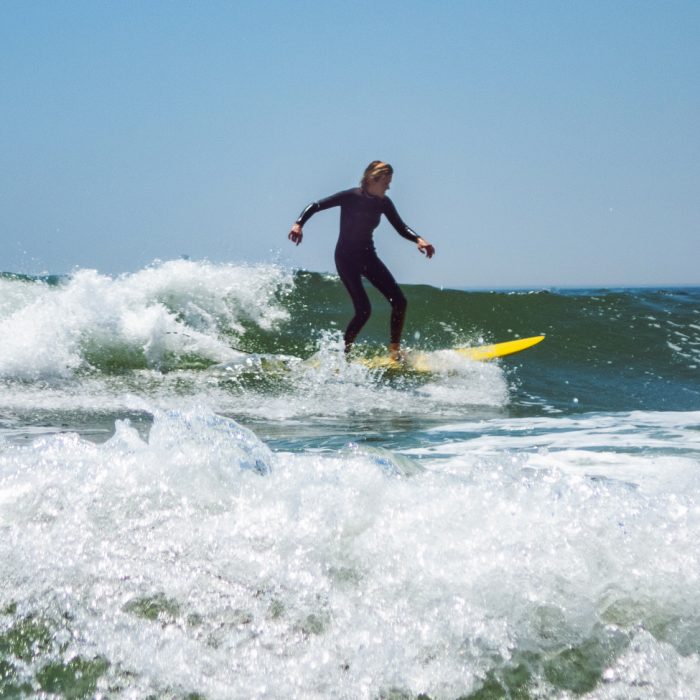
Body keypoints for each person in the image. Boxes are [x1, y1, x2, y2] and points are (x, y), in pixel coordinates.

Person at [288, 161, 435, 360]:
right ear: (373, 179)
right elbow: (316, 205)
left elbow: (400, 226)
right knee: (364, 311)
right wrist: (298, 224)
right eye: (386, 183)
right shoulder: (351, 196)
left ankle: (394, 351)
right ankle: (344, 354)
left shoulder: (383, 203)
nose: (388, 187)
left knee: (399, 301)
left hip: (367, 256)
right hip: (346, 259)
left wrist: (419, 239)